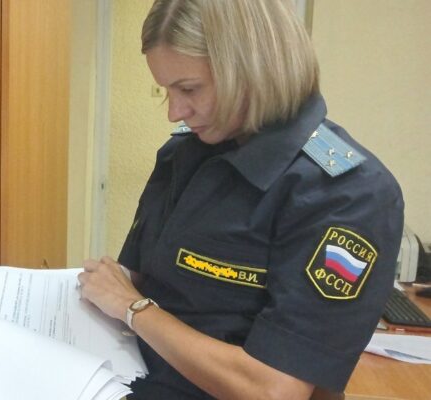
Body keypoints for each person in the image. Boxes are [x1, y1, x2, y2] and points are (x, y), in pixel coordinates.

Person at [76, 0, 404, 399]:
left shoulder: (347, 195)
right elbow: (138, 277)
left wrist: (134, 310)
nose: (175, 112)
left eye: (189, 89)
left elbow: (273, 390)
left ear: (253, 68)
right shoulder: (184, 153)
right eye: (166, 90)